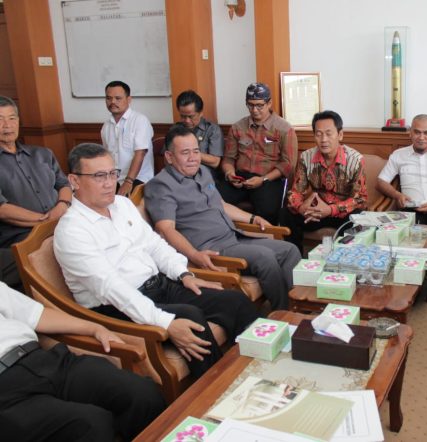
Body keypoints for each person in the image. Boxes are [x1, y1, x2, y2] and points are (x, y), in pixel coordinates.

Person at [54, 143, 258, 379]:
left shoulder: (122, 204)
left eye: (113, 173)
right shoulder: (72, 230)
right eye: (99, 176)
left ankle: (258, 373)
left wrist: (184, 274)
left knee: (234, 301)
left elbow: (155, 244)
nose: (110, 183)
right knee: (190, 317)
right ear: (74, 181)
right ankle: (218, 389)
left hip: (159, 285)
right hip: (115, 307)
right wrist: (166, 323)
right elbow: (111, 288)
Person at [144, 124, 301, 311]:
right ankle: (282, 312)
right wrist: (195, 255)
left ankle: (297, 305)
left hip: (233, 235)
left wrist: (253, 218)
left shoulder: (202, 173)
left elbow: (222, 205)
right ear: (169, 157)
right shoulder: (161, 185)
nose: (193, 158)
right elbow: (165, 229)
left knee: (290, 250)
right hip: (211, 249)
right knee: (265, 257)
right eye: (185, 153)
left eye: (196, 151)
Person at [0, 281, 165, 441]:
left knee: (142, 394)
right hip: (7, 390)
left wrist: (95, 328)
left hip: (43, 359)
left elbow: (36, 315)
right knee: (91, 425)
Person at [0, 96, 72, 291]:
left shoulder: (42, 154)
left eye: (12, 118)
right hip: (22, 235)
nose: (7, 125)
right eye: (0, 119)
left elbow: (64, 184)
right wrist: (44, 221)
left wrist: (62, 205)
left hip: (61, 221)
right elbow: (2, 209)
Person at [281, 110, 368, 253]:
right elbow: (296, 192)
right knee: (287, 213)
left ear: (340, 135)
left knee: (357, 218)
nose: (323, 140)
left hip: (341, 213)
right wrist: (301, 207)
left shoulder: (355, 160)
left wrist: (331, 210)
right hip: (316, 212)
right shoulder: (306, 157)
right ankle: (295, 259)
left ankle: (342, 260)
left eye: (329, 133)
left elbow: (360, 199)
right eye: (319, 134)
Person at [376, 114, 427, 258]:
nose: (421, 137)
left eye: (426, 132)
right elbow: (381, 181)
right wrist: (397, 195)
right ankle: (413, 273)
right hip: (412, 209)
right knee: (408, 243)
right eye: (417, 132)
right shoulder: (398, 155)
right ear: (410, 132)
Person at [220, 82, 298, 225]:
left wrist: (263, 180)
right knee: (213, 199)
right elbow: (228, 159)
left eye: (259, 105)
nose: (254, 110)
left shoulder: (284, 129)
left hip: (268, 179)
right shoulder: (237, 127)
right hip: (240, 178)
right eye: (250, 105)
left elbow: (288, 165)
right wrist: (230, 174)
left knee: (268, 210)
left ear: (269, 103)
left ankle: (265, 242)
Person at [101, 80, 154, 196]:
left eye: (118, 98)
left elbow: (140, 154)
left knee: (123, 207)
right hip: (114, 179)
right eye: (109, 98)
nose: (112, 102)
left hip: (137, 179)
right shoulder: (106, 126)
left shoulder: (140, 120)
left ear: (129, 99)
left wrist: (128, 181)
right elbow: (107, 156)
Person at [176, 90, 224, 191]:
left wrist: (188, 152)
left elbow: (215, 162)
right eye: (183, 116)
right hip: (179, 177)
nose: (187, 121)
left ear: (201, 112)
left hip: (203, 179)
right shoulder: (175, 130)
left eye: (191, 116)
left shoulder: (212, 129)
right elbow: (168, 158)